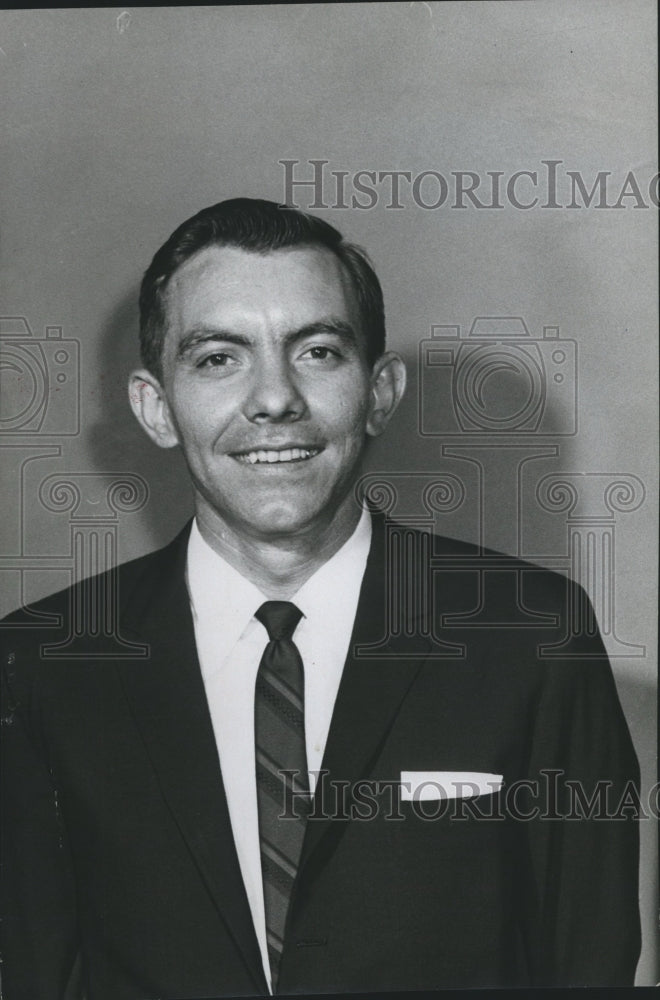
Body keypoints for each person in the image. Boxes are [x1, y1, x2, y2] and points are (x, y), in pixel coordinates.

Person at [1, 199, 641, 999]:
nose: (275, 398)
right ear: (155, 408)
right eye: (217, 359)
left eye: (318, 351)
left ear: (378, 392)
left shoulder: (531, 636)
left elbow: (588, 961)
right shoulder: (43, 663)